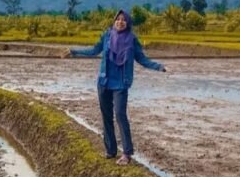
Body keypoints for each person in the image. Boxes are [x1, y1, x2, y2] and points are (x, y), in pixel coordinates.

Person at [68, 10, 166, 165]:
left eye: (123, 20)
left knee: (120, 114)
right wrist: (74, 51)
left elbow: (142, 59)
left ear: (128, 23)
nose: (120, 22)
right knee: (106, 116)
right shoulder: (107, 35)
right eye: (118, 19)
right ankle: (111, 150)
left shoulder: (132, 39)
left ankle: (127, 153)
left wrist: (158, 66)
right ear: (114, 21)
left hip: (121, 83)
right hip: (104, 81)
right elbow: (94, 50)